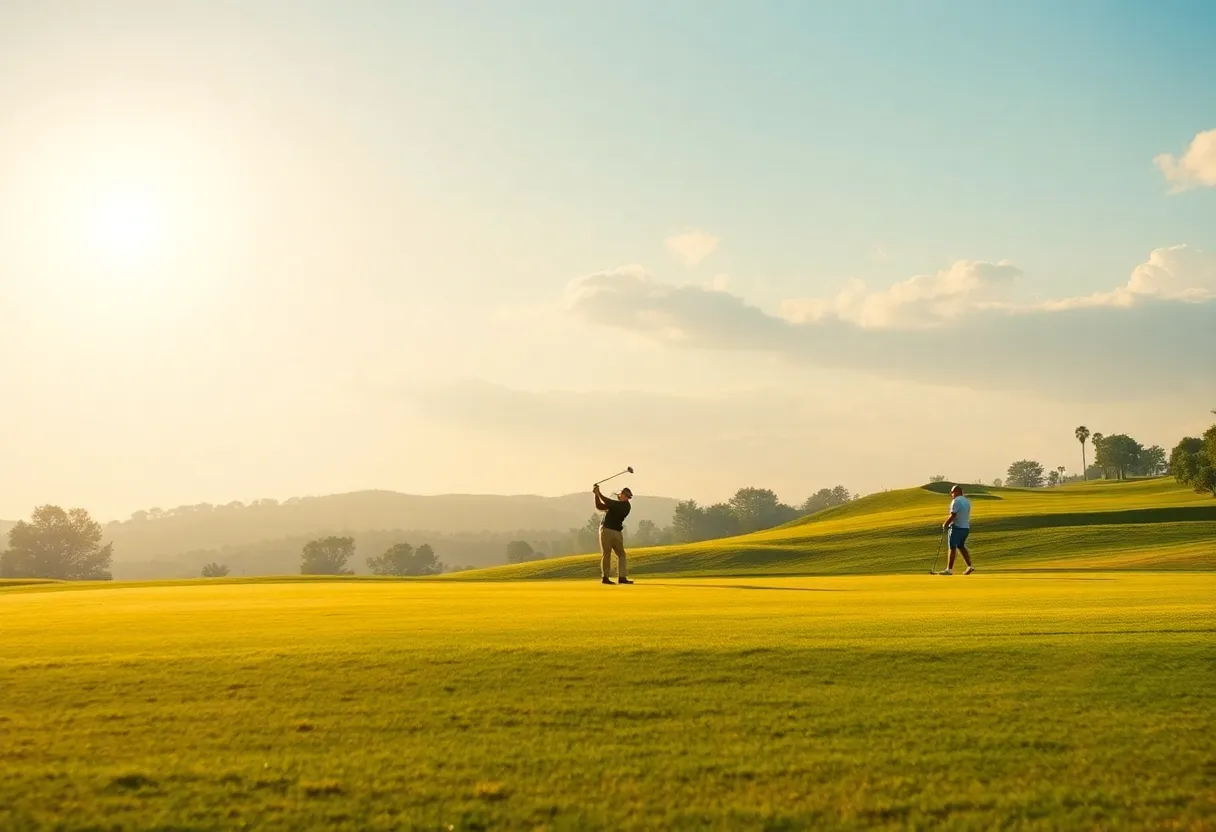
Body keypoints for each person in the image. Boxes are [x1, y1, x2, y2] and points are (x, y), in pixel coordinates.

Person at [593, 484, 633, 585]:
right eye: (626, 495)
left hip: (616, 532)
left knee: (621, 554)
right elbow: (599, 506)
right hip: (606, 530)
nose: (627, 497)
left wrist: (599, 493)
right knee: (606, 554)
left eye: (628, 496)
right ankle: (605, 578)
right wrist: (596, 495)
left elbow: (609, 502)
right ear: (622, 494)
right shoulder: (615, 504)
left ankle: (622, 577)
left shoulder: (626, 506)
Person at [940, 484, 975, 575]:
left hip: (957, 527)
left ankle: (949, 569)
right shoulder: (966, 501)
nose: (951, 494)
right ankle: (969, 566)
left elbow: (953, 515)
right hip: (965, 528)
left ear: (957, 492)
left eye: (952, 492)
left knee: (952, 547)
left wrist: (946, 524)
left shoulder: (956, 501)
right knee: (961, 546)